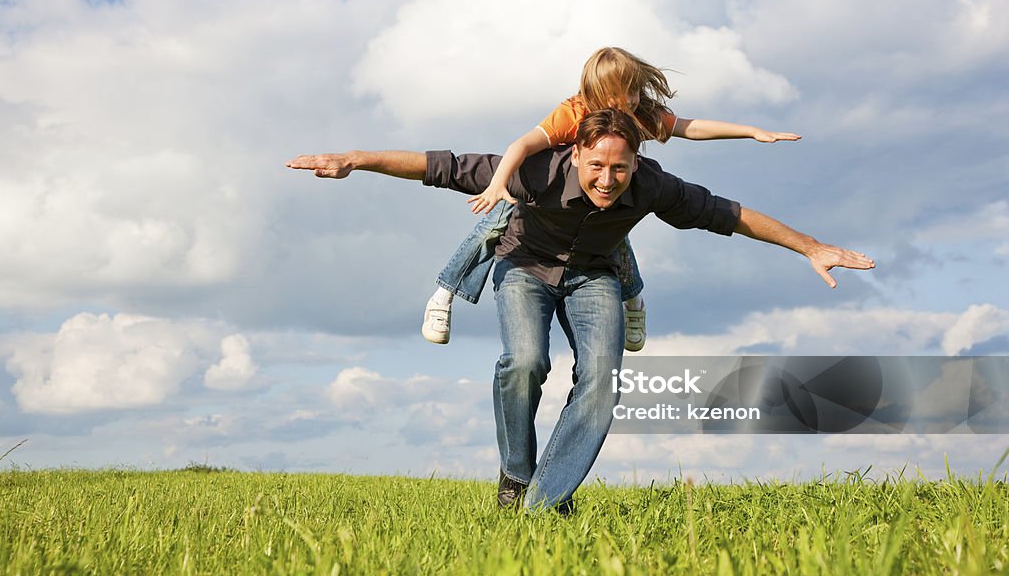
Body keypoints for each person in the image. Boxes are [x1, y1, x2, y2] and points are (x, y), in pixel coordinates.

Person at [286, 109, 874, 512]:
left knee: (602, 382)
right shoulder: (536, 169)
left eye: (620, 168)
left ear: (636, 162)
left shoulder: (653, 185)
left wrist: (812, 247)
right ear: (576, 152)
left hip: (595, 276)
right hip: (524, 267)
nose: (608, 179)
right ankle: (517, 477)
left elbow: (731, 214)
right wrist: (356, 158)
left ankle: (545, 504)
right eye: (597, 166)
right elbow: (438, 165)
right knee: (525, 363)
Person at [421, 46, 801, 351]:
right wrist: (497, 184)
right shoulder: (573, 112)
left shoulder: (640, 112)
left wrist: (750, 131)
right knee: (496, 218)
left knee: (616, 233)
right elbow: (520, 144)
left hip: (602, 195)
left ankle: (633, 298)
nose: (626, 104)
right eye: (615, 97)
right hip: (540, 190)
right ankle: (445, 293)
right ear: (594, 95)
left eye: (632, 92)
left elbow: (690, 127)